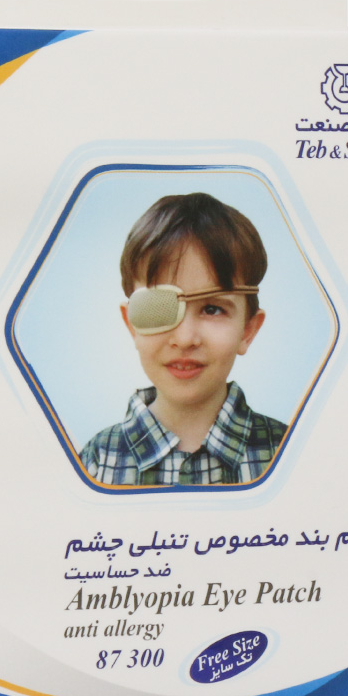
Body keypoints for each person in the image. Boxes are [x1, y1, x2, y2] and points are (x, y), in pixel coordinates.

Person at [81, 192, 286, 486]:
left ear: (248, 330)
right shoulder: (94, 464)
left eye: (212, 309)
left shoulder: (291, 455)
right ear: (132, 326)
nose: (185, 338)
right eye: (158, 307)